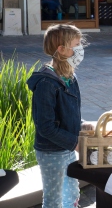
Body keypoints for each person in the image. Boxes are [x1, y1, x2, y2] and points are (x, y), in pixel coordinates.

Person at [27, 24, 87, 208]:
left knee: (72, 193)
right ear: (61, 50)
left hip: (68, 148)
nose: (80, 50)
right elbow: (45, 126)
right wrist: (74, 143)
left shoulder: (70, 76)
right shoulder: (46, 83)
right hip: (51, 152)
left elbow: (68, 112)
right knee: (53, 199)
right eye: (76, 45)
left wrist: (82, 124)